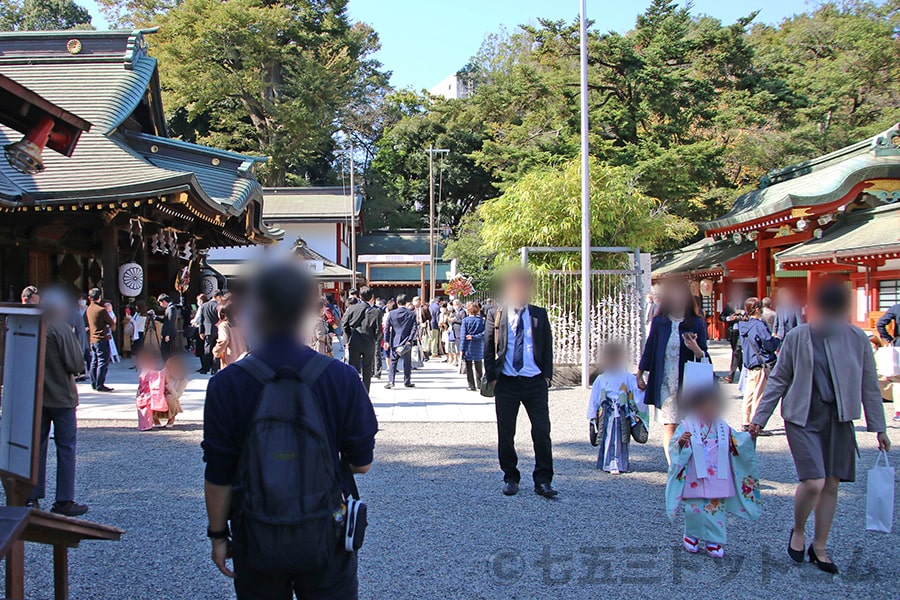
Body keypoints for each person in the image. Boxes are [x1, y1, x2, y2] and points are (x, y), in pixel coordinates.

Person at [202, 261, 378, 598]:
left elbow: (219, 472)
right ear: (307, 311)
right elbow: (361, 464)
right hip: (326, 530)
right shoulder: (341, 379)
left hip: (255, 530)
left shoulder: (226, 385)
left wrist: (218, 536)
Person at [750, 282, 891, 574]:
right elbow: (779, 379)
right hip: (803, 416)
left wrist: (879, 427)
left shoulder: (857, 339)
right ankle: (799, 529)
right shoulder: (798, 337)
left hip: (839, 418)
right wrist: (759, 418)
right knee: (813, 480)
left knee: (832, 482)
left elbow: (869, 386)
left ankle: (821, 545)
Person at [484, 268, 557, 498]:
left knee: (542, 431)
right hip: (506, 382)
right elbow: (487, 348)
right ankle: (510, 476)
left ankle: (543, 479)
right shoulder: (496, 314)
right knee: (506, 432)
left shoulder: (538, 315)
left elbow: (547, 347)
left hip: (534, 381)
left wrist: (546, 375)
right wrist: (492, 377)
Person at [666, 385, 761, 559]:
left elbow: (737, 441)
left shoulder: (723, 427)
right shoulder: (687, 425)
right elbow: (674, 448)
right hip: (696, 474)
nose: (709, 410)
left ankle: (714, 541)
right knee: (695, 508)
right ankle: (691, 535)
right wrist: (681, 442)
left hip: (718, 474)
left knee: (716, 508)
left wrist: (749, 436)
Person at [25, 289, 89, 516]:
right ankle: (64, 499)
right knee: (66, 448)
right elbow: (75, 363)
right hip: (61, 396)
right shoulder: (59, 327)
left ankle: (31, 495)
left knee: (37, 447)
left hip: (37, 395)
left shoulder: (31, 325)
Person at [636, 279, 708, 462]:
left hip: (689, 381)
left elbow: (704, 355)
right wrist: (640, 373)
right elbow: (650, 348)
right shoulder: (660, 323)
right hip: (665, 379)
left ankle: (688, 462)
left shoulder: (697, 324)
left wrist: (695, 348)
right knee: (670, 423)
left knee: (689, 424)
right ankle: (673, 464)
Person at [587, 343, 645, 474]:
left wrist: (641, 387)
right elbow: (594, 398)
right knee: (607, 437)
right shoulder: (601, 379)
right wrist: (592, 415)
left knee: (620, 438)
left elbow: (636, 391)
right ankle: (607, 462)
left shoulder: (628, 377)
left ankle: (619, 463)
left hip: (622, 411)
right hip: (607, 411)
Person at [738, 298, 779, 435]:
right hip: (760, 362)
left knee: (749, 394)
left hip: (749, 363)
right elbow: (768, 343)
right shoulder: (759, 325)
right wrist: (776, 340)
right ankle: (755, 424)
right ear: (757, 309)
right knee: (759, 394)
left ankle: (745, 421)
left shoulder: (743, 324)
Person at [342, 286, 381, 392]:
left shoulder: (351, 308)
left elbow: (344, 325)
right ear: (371, 297)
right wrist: (374, 339)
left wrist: (347, 340)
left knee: (353, 368)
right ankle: (365, 393)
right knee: (367, 370)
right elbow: (378, 330)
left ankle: (353, 392)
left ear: (360, 296)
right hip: (369, 342)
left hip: (354, 341)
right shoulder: (376, 311)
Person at [384, 294, 418, 389]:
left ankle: (391, 381)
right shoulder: (411, 314)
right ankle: (407, 381)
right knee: (407, 362)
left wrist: (386, 340)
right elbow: (414, 328)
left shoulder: (392, 314)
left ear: (397, 302)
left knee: (393, 362)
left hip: (395, 341)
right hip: (406, 341)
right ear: (406, 302)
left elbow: (387, 328)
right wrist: (410, 339)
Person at [86, 287, 116, 392]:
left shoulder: (89, 309)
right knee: (103, 362)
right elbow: (111, 323)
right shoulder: (101, 310)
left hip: (93, 339)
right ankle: (100, 384)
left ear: (90, 298)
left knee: (94, 361)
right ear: (99, 297)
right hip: (102, 338)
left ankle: (94, 383)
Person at [135, 351, 166, 431]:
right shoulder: (149, 372)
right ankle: (147, 426)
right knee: (147, 412)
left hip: (141, 394)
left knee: (143, 412)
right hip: (146, 395)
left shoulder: (144, 371)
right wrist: (163, 372)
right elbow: (157, 379)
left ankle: (142, 426)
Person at [460, 302, 486, 392]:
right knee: (478, 366)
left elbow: (463, 335)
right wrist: (476, 336)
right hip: (479, 345)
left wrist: (461, 349)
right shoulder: (482, 321)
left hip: (468, 345)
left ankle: (471, 385)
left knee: (469, 367)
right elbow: (485, 333)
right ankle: (480, 384)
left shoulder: (465, 321)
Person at [213, 302, 247, 370]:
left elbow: (224, 339)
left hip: (230, 356)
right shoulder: (241, 323)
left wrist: (216, 351)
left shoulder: (224, 325)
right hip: (243, 355)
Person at [198, 290, 224, 374]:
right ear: (218, 297)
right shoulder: (219, 306)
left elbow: (201, 320)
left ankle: (205, 368)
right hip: (217, 330)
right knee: (216, 349)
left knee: (207, 350)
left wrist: (201, 331)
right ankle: (214, 368)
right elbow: (221, 318)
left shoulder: (204, 305)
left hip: (207, 330)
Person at [718, 299, 744, 383]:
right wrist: (730, 318)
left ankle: (731, 375)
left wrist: (742, 314)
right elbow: (721, 317)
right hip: (733, 332)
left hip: (743, 331)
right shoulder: (730, 305)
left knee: (737, 352)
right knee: (736, 352)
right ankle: (743, 374)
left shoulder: (744, 305)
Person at [157, 357, 187, 428]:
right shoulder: (162, 377)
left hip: (172, 401)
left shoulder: (183, 381)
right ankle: (155, 418)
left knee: (170, 397)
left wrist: (168, 384)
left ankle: (171, 418)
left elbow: (177, 396)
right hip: (160, 399)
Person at [158, 293, 180, 360]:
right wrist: (155, 317)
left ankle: (168, 366)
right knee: (164, 351)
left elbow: (171, 322)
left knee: (166, 351)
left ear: (164, 301)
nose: (160, 305)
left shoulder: (171, 308)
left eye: (160, 303)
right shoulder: (169, 308)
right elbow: (165, 320)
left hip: (169, 333)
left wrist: (168, 334)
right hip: (168, 332)